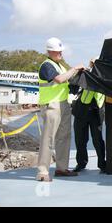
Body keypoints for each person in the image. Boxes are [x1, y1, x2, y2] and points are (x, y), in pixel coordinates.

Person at [36, 37, 84, 182]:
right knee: (48, 138)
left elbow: (66, 82)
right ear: (49, 51)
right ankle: (42, 172)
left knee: (64, 136)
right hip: (51, 104)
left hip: (63, 104)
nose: (60, 54)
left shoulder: (60, 66)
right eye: (57, 52)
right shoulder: (46, 65)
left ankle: (61, 168)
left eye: (61, 51)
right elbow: (59, 80)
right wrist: (74, 69)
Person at [73, 57, 107, 173]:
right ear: (91, 64)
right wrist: (79, 72)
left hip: (97, 111)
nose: (95, 66)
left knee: (97, 139)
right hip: (82, 110)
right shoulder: (85, 74)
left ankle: (102, 164)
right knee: (80, 139)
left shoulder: (106, 77)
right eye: (94, 63)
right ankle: (81, 163)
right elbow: (73, 85)